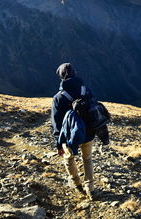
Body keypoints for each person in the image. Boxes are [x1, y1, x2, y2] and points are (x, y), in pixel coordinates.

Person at [51, 63, 96, 199]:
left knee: (69, 159)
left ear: (61, 77)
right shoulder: (85, 90)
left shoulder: (58, 98)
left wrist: (59, 143)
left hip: (69, 137)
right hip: (88, 133)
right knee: (87, 159)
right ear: (75, 74)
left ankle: (77, 184)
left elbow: (57, 122)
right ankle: (90, 189)